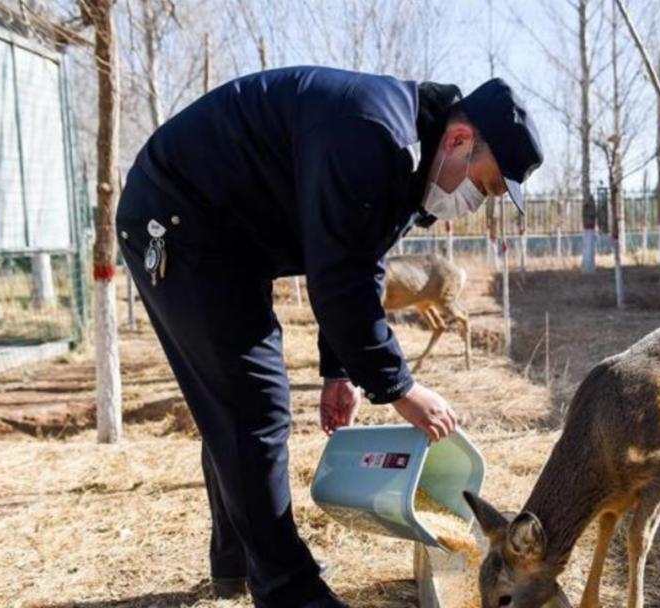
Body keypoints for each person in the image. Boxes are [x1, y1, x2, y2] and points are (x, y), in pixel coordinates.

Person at [116, 66, 543, 608]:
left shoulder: (406, 160)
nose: (476, 203)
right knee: (254, 407)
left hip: (225, 238)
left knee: (236, 405)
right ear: (459, 139)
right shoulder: (371, 135)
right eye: (483, 185)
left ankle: (241, 562)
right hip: (176, 219)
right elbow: (339, 276)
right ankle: (287, 591)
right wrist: (400, 389)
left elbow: (357, 262)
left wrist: (339, 370)